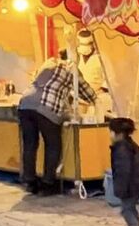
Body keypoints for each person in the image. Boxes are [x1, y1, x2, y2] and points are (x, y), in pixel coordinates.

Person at [17, 51, 97, 196]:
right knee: (53, 145)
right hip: (46, 107)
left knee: (30, 144)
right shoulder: (71, 68)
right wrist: (97, 100)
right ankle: (48, 184)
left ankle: (29, 180)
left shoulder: (48, 64)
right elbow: (86, 92)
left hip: (25, 104)